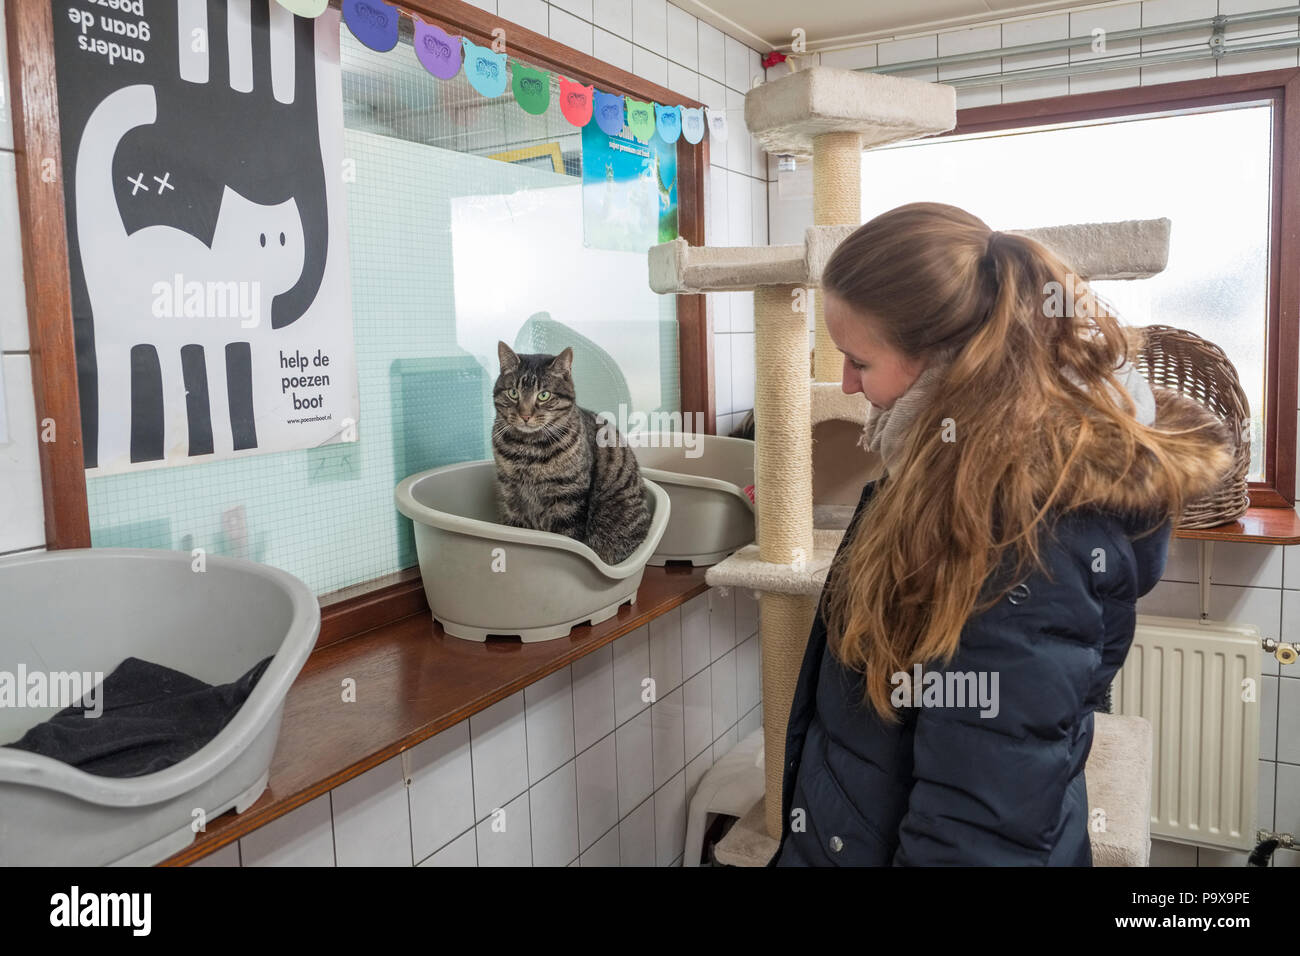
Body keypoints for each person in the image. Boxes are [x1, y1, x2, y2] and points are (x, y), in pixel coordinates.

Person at [768, 202, 1236, 866]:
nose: (845, 384)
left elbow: (979, 832)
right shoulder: (942, 465)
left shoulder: (1021, 532)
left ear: (941, 361)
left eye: (858, 361)